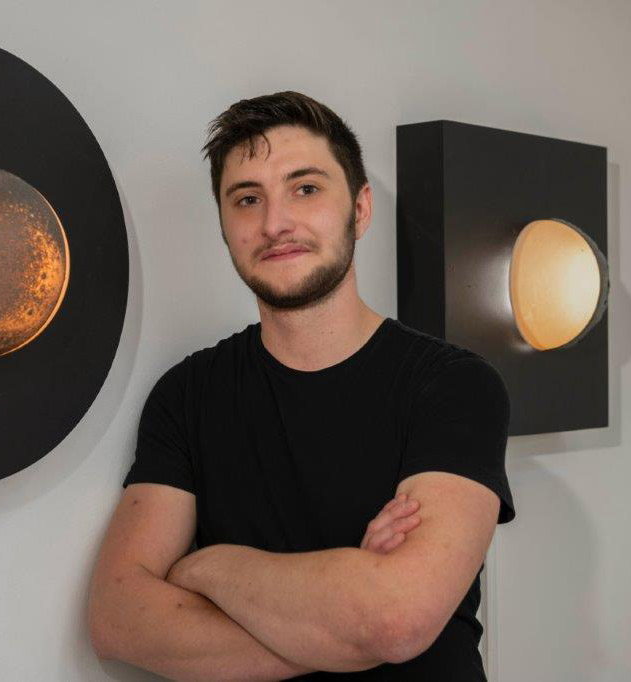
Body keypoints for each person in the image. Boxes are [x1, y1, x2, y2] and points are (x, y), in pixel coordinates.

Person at [87, 91, 516, 680]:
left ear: (360, 209)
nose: (274, 223)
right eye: (246, 199)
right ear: (224, 225)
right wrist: (342, 621)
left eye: (305, 188)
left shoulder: (454, 387)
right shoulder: (185, 395)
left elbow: (396, 620)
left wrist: (208, 568)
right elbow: (117, 618)